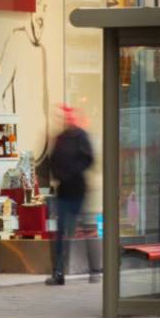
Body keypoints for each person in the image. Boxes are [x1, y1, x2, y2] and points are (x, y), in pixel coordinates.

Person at [46, 105, 94, 286]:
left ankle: (94, 269)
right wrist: (59, 176)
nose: (65, 120)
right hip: (64, 191)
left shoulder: (81, 137)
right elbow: (52, 161)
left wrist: (71, 173)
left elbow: (89, 159)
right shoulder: (59, 138)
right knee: (60, 233)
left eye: (67, 117)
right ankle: (58, 271)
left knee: (82, 230)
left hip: (77, 191)